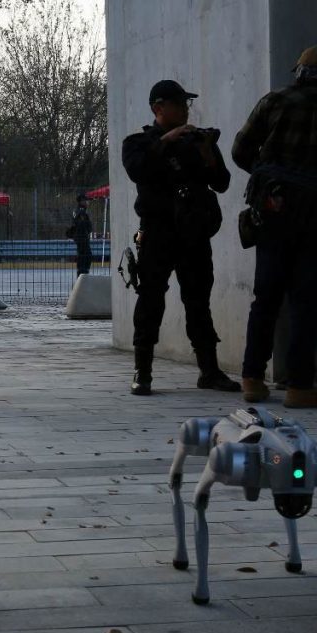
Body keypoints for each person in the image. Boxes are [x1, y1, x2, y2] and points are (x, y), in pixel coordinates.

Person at [233, 46, 317, 408]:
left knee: (266, 297)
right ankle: (300, 386)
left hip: (276, 212)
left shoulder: (275, 102)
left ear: (301, 73)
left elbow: (240, 151)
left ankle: (252, 378)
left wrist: (271, 175)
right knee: (308, 301)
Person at [121, 79, 240, 396]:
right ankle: (142, 372)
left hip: (194, 234)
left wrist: (207, 153)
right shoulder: (138, 143)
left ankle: (209, 371)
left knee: (199, 302)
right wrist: (166, 142)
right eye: (178, 104)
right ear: (158, 108)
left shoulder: (196, 141)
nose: (185, 110)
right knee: (150, 302)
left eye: (186, 104)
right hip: (158, 232)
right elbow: (138, 170)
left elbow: (223, 182)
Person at [68, 194, 93, 275]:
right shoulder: (81, 211)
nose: (87, 202)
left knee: (83, 255)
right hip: (82, 237)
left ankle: (82, 273)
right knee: (85, 256)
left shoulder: (77, 210)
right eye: (85, 200)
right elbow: (83, 224)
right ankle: (83, 273)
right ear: (82, 201)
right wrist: (88, 230)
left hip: (79, 237)